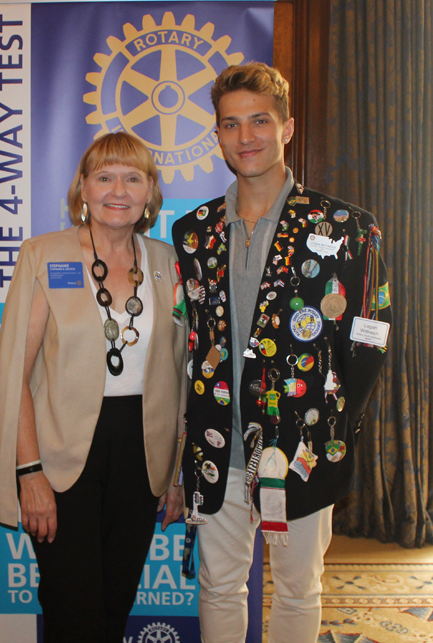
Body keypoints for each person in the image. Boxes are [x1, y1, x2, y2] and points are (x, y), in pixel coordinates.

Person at [172, 63, 391, 643]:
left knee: (299, 589)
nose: (246, 137)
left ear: (287, 128)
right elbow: (189, 340)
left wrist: (339, 422)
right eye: (230, 124)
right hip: (216, 441)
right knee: (219, 586)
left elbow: (370, 333)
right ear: (216, 135)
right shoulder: (191, 233)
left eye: (260, 121)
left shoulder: (347, 227)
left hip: (302, 445)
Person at [0, 131, 186, 643]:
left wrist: (180, 471)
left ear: (150, 193)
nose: (117, 190)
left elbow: (185, 373)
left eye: (132, 177)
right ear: (83, 188)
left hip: (143, 454)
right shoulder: (42, 254)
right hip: (60, 455)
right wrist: (29, 473)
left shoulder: (169, 262)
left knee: (115, 600)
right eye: (104, 177)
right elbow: (18, 374)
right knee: (71, 604)